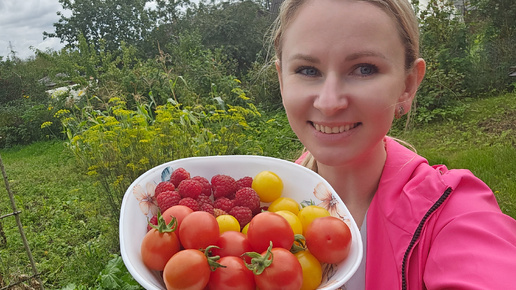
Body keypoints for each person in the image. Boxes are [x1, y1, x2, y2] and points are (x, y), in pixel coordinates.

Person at [272, 0, 516, 289]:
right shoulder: (263, 205)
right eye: (308, 70)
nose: (329, 103)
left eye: (364, 69)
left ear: (407, 85)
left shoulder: (453, 212)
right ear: (282, 81)